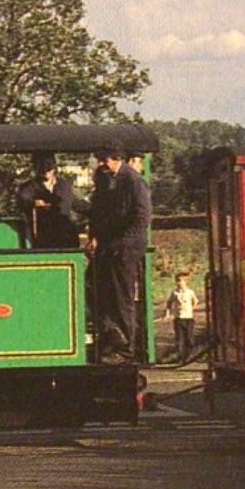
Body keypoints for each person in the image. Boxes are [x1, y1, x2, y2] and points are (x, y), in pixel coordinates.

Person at [88, 148, 152, 364]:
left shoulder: (134, 182)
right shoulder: (108, 180)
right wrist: (95, 236)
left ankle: (125, 349)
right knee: (95, 289)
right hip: (109, 246)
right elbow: (99, 212)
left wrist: (121, 244)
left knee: (121, 296)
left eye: (104, 160)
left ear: (118, 159)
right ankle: (110, 338)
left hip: (124, 249)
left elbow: (141, 217)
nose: (101, 165)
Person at [16, 152, 80, 248]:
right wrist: (33, 203)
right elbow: (23, 200)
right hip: (41, 236)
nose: (45, 173)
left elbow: (75, 203)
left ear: (53, 169)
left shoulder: (64, 186)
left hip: (65, 236)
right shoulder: (30, 187)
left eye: (48, 169)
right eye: (41, 169)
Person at [164, 272, 200, 361]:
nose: (179, 283)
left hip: (188, 319)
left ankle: (190, 356)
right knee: (180, 338)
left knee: (189, 338)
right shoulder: (175, 292)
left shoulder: (190, 292)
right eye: (177, 281)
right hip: (179, 319)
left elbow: (195, 301)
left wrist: (191, 308)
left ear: (186, 282)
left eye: (181, 281)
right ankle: (181, 356)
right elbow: (169, 303)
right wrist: (168, 313)